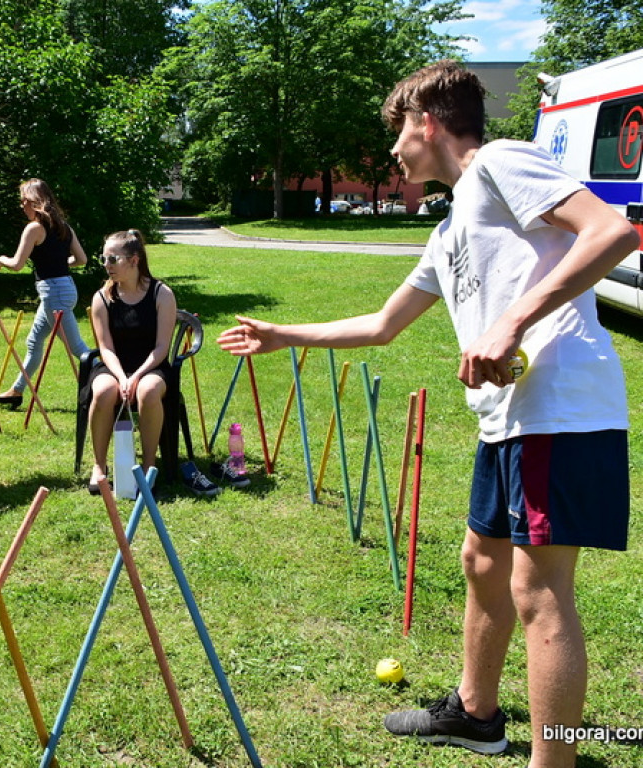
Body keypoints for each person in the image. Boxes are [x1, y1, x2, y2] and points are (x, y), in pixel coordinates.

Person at [218, 60, 638, 768]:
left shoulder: (502, 162)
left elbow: (613, 232)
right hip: (507, 415)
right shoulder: (448, 229)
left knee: (539, 589)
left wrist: (509, 324)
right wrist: (282, 335)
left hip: (558, 407)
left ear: (428, 122)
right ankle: (476, 715)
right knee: (481, 560)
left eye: (397, 133)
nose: (391, 152)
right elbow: (383, 323)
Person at [86, 229, 218, 496]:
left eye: (113, 259)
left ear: (134, 260)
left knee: (146, 390)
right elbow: (106, 348)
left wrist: (136, 377)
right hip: (114, 366)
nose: (106, 266)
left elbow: (161, 349)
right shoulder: (102, 298)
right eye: (104, 259)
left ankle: (148, 468)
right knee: (102, 390)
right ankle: (99, 466)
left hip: (152, 365)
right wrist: (123, 377)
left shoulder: (162, 294)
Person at [0, 178, 91, 409]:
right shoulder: (64, 227)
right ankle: (16, 391)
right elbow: (81, 260)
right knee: (34, 341)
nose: (21, 206)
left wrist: (1, 260)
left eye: (23, 201)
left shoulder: (34, 228)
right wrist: (58, 261)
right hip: (65, 288)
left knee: (77, 348)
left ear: (32, 201)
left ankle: (116, 382)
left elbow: (17, 264)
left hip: (54, 293)